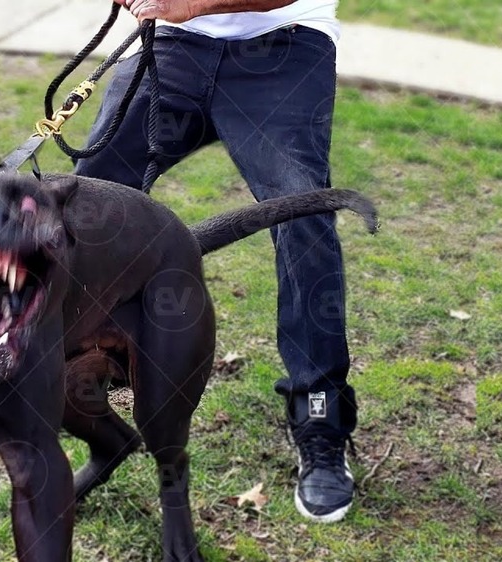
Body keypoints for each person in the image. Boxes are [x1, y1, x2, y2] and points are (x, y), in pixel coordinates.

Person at [73, 0, 358, 523]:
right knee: (88, 200)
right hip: (177, 42)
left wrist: (183, 4)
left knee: (303, 217)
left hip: (285, 45)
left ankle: (321, 419)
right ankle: (79, 363)